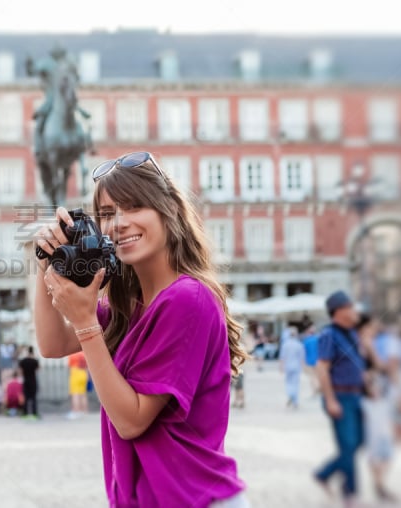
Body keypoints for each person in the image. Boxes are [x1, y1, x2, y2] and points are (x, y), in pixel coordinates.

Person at [34, 151, 248, 507]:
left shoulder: (187, 298)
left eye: (134, 207)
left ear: (169, 212)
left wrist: (86, 322)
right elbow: (52, 343)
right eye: (106, 214)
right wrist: (48, 260)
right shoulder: (129, 307)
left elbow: (131, 421)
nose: (118, 223)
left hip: (192, 499)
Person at [313, 290, 364, 505]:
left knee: (359, 441)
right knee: (349, 445)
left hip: (355, 395)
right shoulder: (329, 335)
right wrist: (331, 399)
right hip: (340, 395)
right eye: (351, 307)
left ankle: (324, 474)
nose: (354, 311)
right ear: (340, 310)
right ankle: (350, 493)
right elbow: (322, 368)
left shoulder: (352, 333)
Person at [357, 314, 397, 502]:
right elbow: (372, 370)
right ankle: (378, 485)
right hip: (372, 400)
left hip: (379, 399)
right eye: (371, 327)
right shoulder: (363, 346)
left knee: (384, 446)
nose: (374, 330)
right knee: (378, 445)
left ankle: (379, 483)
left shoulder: (368, 344)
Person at [279, 326, 305, 409]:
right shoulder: (299, 344)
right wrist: (303, 367)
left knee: (288, 382)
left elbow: (282, 357)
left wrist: (281, 367)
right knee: (296, 383)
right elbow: (302, 358)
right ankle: (295, 400)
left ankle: (290, 394)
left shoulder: (285, 344)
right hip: (296, 366)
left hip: (288, 366)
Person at [18, 346, 40, 418]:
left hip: (26, 380)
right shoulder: (35, 361)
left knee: (26, 397)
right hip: (33, 381)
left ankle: (25, 413)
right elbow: (38, 369)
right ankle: (34, 413)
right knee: (33, 398)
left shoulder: (23, 361)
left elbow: (20, 371)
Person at [67, 351, 89, 419]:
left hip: (75, 372)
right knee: (83, 394)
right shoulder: (83, 353)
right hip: (84, 373)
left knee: (75, 393)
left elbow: (69, 365)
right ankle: (84, 411)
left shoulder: (72, 354)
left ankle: (76, 412)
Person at [301, 324, 321, 397]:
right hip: (317, 360)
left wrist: (302, 362)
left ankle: (315, 390)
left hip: (309, 361)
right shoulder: (317, 339)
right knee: (317, 376)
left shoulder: (306, 341)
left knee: (312, 377)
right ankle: (318, 388)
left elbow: (303, 352)